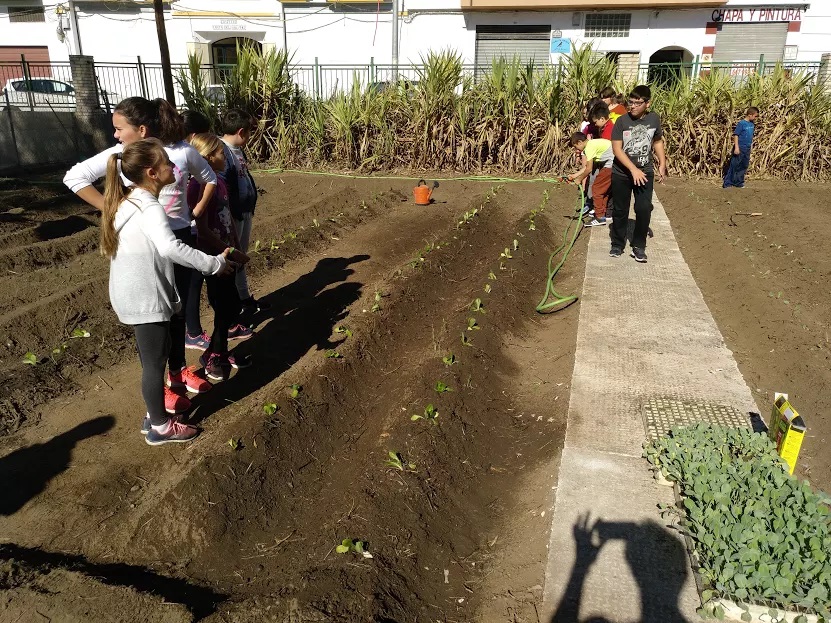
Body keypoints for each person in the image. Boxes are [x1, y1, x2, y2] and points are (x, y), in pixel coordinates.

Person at [64, 97, 217, 413]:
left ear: (142, 128)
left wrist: (198, 212)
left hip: (179, 238)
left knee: (179, 312)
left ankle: (178, 373)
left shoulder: (174, 153)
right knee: (156, 318)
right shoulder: (119, 156)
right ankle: (160, 390)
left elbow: (208, 178)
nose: (116, 136)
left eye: (120, 129)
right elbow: (73, 177)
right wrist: (112, 206)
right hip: (152, 245)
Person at [100, 138, 233, 445]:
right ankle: (159, 426)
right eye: (166, 164)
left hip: (134, 295)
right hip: (146, 299)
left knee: (153, 359)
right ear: (152, 173)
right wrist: (212, 264)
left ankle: (155, 415)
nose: (174, 167)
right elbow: (170, 247)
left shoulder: (127, 201)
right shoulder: (149, 207)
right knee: (154, 363)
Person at [187, 133, 253, 381]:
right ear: (205, 158)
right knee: (224, 305)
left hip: (227, 252)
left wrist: (235, 244)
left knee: (231, 305)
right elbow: (202, 231)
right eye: (218, 153)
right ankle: (214, 355)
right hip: (213, 256)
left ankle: (221, 350)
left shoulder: (219, 182)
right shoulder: (199, 186)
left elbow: (228, 219)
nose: (224, 155)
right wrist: (227, 252)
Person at [220, 109, 270, 316]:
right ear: (241, 132)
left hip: (244, 212)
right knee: (234, 257)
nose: (249, 138)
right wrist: (230, 217)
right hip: (233, 215)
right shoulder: (222, 151)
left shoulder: (237, 149)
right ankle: (236, 305)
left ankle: (244, 297)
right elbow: (223, 188)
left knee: (241, 256)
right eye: (249, 133)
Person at [609, 85, 667, 263]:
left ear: (647, 104)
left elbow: (657, 142)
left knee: (643, 208)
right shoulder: (622, 121)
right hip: (622, 173)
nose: (632, 106)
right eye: (630, 102)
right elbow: (617, 150)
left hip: (645, 171)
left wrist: (662, 163)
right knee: (620, 209)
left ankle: (639, 245)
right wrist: (633, 170)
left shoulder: (653, 120)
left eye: (637, 103)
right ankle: (618, 243)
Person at [568, 132, 613, 227]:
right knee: (602, 190)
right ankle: (602, 212)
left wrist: (579, 179)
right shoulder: (591, 144)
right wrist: (574, 175)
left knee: (596, 190)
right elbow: (588, 167)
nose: (577, 149)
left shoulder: (589, 147)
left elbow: (588, 169)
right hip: (612, 164)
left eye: (576, 147)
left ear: (580, 142)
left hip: (611, 165)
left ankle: (600, 217)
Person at [723, 107, 759, 189]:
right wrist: (736, 148)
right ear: (750, 115)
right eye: (755, 116)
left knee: (744, 165)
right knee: (734, 165)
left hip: (747, 148)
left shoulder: (752, 124)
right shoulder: (741, 124)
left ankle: (738, 182)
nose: (756, 118)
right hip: (740, 147)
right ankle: (727, 183)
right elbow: (736, 135)